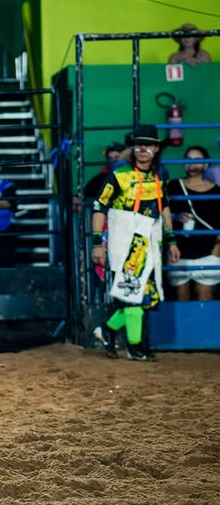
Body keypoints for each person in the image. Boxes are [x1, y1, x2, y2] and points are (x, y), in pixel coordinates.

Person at [92, 124, 180, 361]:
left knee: (148, 294)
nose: (142, 149)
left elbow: (165, 206)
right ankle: (134, 346)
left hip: (151, 241)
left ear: (157, 148)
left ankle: (108, 331)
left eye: (148, 144)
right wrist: (96, 243)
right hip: (126, 241)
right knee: (133, 291)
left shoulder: (161, 174)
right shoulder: (119, 174)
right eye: (138, 144)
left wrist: (171, 240)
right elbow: (99, 206)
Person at [165, 146, 220, 302]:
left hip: (208, 254)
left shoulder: (216, 191)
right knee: (180, 300)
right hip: (178, 253)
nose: (191, 164)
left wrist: (217, 249)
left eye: (197, 160)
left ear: (206, 164)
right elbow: (163, 214)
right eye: (188, 160)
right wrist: (176, 217)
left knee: (205, 299)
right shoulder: (173, 187)